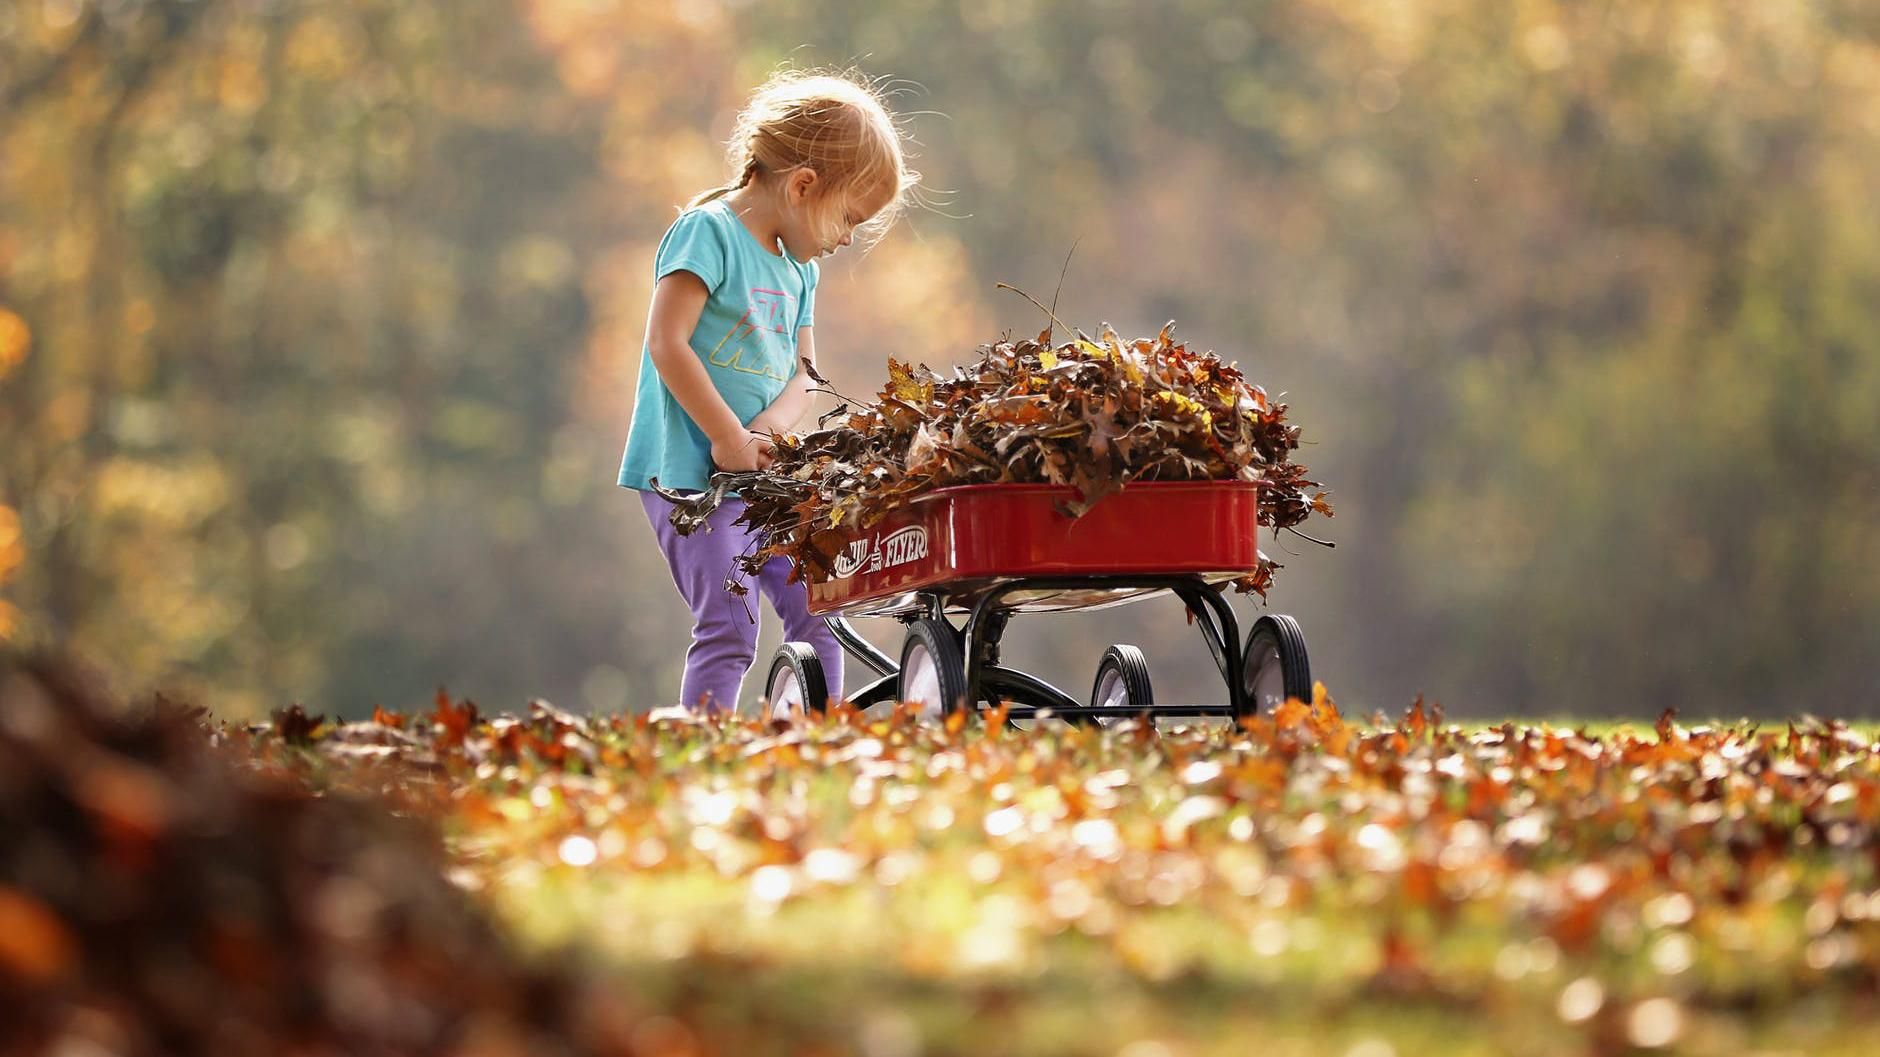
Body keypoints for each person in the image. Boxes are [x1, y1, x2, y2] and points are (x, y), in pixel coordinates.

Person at [618, 69, 916, 714]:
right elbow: (667, 343)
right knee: (730, 624)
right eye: (850, 219)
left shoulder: (798, 270)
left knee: (818, 606)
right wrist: (727, 436)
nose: (847, 239)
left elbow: (804, 373)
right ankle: (707, 743)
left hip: (760, 479)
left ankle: (819, 736)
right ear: (804, 185)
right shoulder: (709, 232)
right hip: (688, 477)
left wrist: (769, 435)